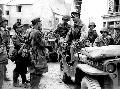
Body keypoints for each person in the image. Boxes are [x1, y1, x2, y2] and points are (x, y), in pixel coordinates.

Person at [28, 17, 48, 89]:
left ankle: (33, 86)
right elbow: (43, 44)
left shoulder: (29, 31)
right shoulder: (37, 32)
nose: (41, 24)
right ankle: (34, 87)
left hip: (32, 54)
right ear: (37, 23)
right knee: (37, 73)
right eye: (40, 23)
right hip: (37, 55)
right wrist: (45, 38)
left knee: (32, 72)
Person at [0, 8, 9, 89]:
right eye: (4, 23)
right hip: (1, 53)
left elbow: (6, 42)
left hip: (3, 52)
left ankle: (4, 78)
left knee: (3, 67)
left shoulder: (4, 31)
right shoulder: (2, 31)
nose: (5, 24)